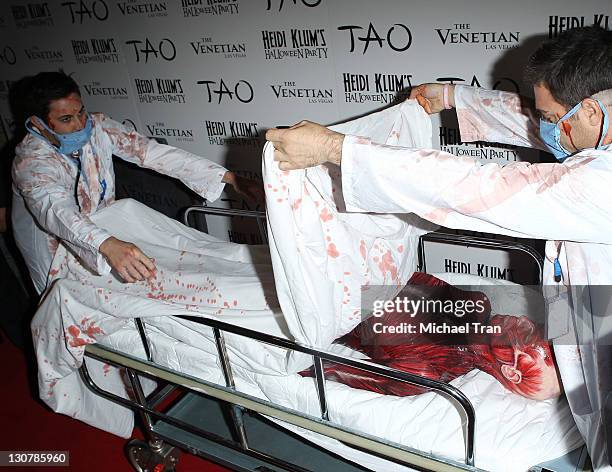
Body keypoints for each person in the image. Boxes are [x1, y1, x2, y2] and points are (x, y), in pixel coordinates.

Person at [266, 25, 612, 470]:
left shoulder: (599, 185)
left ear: (589, 112)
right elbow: (525, 116)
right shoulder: (596, 137)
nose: (541, 127)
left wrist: (338, 150)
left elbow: (479, 185)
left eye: (549, 118)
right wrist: (451, 98)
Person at [12, 71, 263, 295]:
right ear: (39, 124)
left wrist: (233, 180)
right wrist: (107, 244)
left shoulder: (97, 126)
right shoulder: (31, 163)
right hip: (52, 241)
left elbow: (151, 153)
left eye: (81, 112)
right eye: (66, 119)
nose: (80, 125)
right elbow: (56, 211)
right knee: (63, 298)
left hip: (103, 228)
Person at [304, 272, 561, 401]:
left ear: (510, 372)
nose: (525, 321)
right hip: (352, 261)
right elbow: (408, 274)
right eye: (537, 326)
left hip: (318, 296)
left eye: (530, 336)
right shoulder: (476, 305)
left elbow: (332, 370)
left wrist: (306, 368)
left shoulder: (426, 371)